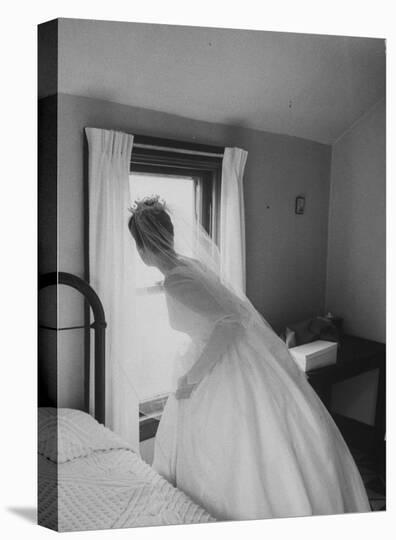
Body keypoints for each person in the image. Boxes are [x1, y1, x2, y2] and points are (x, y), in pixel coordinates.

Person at [128, 196, 370, 521]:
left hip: (220, 364)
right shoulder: (187, 265)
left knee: (234, 445)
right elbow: (221, 311)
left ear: (143, 248)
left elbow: (228, 326)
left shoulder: (177, 280)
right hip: (230, 356)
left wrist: (194, 377)